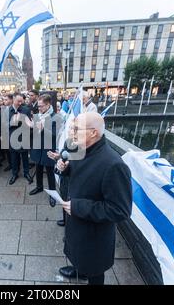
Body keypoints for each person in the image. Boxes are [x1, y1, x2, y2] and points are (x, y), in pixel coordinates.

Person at [56, 112, 133, 285]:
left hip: (94, 232)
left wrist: (79, 207)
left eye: (77, 129)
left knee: (95, 270)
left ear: (93, 133)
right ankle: (79, 270)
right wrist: (65, 168)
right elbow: (78, 172)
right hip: (76, 221)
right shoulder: (80, 148)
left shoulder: (114, 165)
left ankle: (88, 273)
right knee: (78, 254)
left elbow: (120, 210)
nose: (72, 132)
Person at [29, 94, 58, 207]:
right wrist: (32, 126)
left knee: (50, 172)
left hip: (48, 149)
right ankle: (39, 187)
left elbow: (55, 135)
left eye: (41, 106)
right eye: (38, 106)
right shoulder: (37, 115)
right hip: (37, 148)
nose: (39, 108)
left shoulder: (56, 117)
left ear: (48, 104)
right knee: (39, 169)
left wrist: (43, 129)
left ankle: (53, 194)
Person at [8, 93, 33, 185]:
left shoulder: (26, 109)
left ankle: (26, 173)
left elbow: (30, 124)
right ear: (13, 99)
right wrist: (12, 123)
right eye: (18, 101)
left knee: (25, 158)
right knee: (14, 159)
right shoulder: (7, 110)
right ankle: (15, 174)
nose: (20, 103)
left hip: (24, 138)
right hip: (12, 139)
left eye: (21, 101)